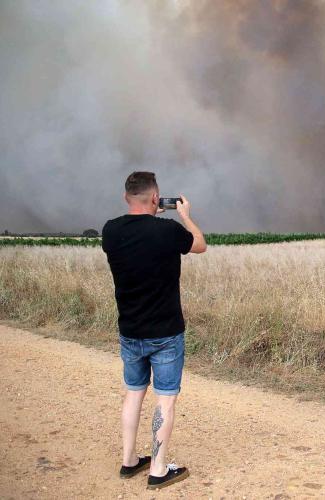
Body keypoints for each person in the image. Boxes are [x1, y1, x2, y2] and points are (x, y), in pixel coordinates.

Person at [101, 171, 206, 490]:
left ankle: (129, 460)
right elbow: (200, 245)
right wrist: (185, 215)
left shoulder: (110, 230)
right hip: (165, 333)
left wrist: (149, 213)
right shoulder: (168, 230)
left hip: (130, 330)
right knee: (166, 399)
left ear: (125, 197)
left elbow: (138, 236)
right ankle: (158, 470)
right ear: (156, 198)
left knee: (133, 393)